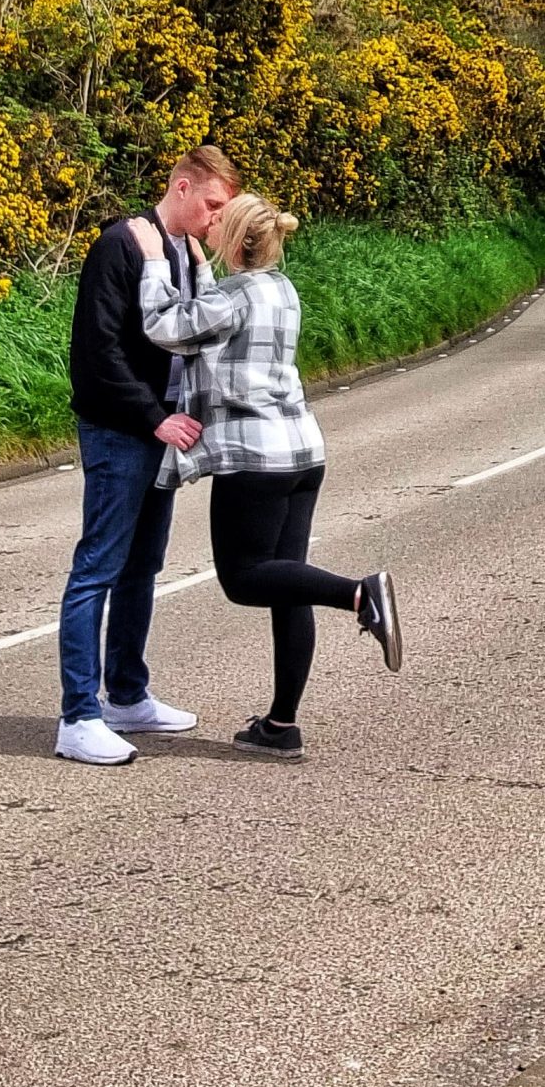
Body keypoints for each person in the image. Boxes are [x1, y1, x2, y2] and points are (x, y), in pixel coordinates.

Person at [137, 192, 402, 758]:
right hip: (303, 451)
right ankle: (281, 727)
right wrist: (207, 268)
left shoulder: (232, 297)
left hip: (256, 459)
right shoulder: (281, 289)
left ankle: (359, 594)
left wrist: (157, 262)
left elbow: (166, 326)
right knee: (286, 584)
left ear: (233, 241)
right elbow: (226, 311)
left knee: (244, 577)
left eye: (218, 227)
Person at [54, 143, 240, 767]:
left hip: (160, 433)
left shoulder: (184, 254)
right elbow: (96, 354)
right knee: (98, 568)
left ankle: (127, 696)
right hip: (121, 431)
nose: (218, 219)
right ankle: (78, 717)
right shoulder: (123, 244)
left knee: (143, 567)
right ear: (182, 187)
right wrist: (156, 419)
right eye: (213, 204)